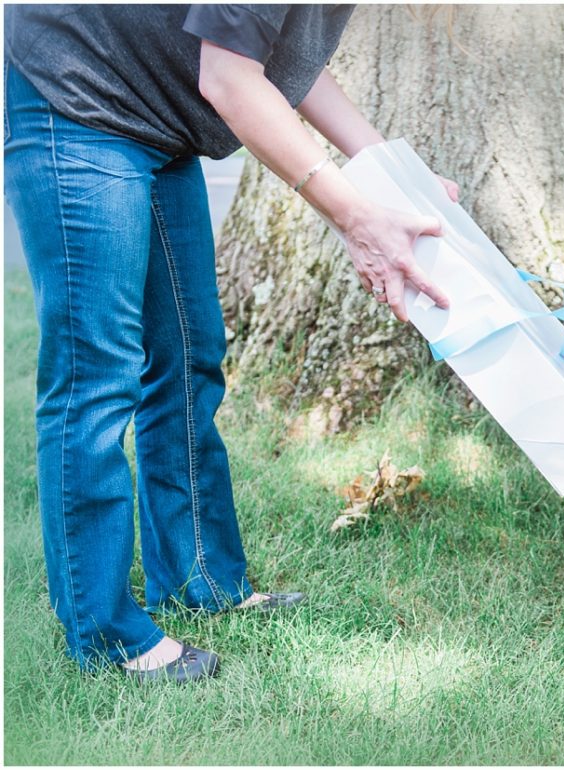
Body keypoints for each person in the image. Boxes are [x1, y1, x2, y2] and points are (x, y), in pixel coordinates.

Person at [4, 4, 458, 682]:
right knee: (96, 379)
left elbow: (289, 65)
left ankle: (204, 583)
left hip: (160, 120)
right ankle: (104, 636)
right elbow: (231, 80)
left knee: (190, 362)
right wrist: (355, 217)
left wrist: (390, 174)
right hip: (79, 97)